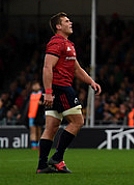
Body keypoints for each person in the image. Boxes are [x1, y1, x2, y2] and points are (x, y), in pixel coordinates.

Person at [36, 12, 102, 174]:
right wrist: (49, 92)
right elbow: (47, 67)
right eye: (66, 21)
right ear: (58, 26)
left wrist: (91, 82)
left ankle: (42, 166)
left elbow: (76, 68)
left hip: (59, 87)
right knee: (78, 121)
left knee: (51, 127)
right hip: (60, 87)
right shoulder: (56, 43)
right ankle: (58, 157)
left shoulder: (69, 44)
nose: (70, 22)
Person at [26, 82, 44, 149]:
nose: (35, 86)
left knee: (39, 130)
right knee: (32, 130)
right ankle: (34, 145)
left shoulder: (41, 94)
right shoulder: (30, 95)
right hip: (31, 115)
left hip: (39, 115)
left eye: (36, 85)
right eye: (34, 85)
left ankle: (39, 144)